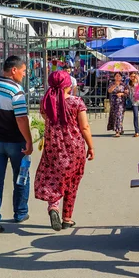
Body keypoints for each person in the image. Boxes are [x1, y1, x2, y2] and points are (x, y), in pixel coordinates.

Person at [35, 71, 94, 231]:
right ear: (69, 85)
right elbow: (84, 127)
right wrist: (91, 146)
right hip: (74, 147)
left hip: (53, 147)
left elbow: (47, 118)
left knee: (54, 178)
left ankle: (53, 207)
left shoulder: (46, 102)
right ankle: (67, 218)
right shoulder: (76, 102)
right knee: (72, 181)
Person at [0, 56, 33, 233]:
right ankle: (20, 212)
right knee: (21, 177)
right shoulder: (16, 90)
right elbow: (21, 119)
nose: (24, 74)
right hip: (15, 142)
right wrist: (29, 141)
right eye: (23, 71)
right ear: (14, 70)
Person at [107, 72, 128, 137]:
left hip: (121, 102)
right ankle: (120, 128)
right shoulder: (112, 84)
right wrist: (115, 85)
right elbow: (109, 91)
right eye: (116, 76)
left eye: (119, 76)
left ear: (121, 77)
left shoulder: (124, 85)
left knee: (119, 115)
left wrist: (122, 94)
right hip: (113, 102)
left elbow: (127, 93)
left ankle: (117, 131)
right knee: (114, 115)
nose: (117, 77)